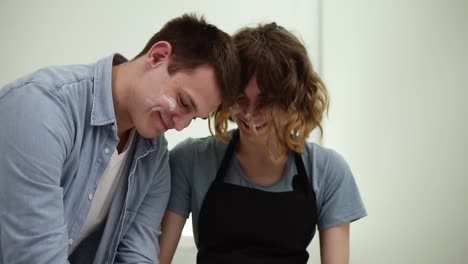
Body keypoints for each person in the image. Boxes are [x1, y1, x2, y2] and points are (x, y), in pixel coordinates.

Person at [0, 14, 239, 264]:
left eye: (193, 117)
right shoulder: (41, 110)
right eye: (183, 102)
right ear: (157, 56)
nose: (180, 125)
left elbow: (137, 256)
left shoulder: (154, 159)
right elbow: (36, 257)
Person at [159, 22, 367, 264]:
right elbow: (155, 259)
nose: (249, 113)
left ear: (293, 99)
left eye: (266, 101)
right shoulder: (190, 159)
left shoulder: (329, 171)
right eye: (240, 98)